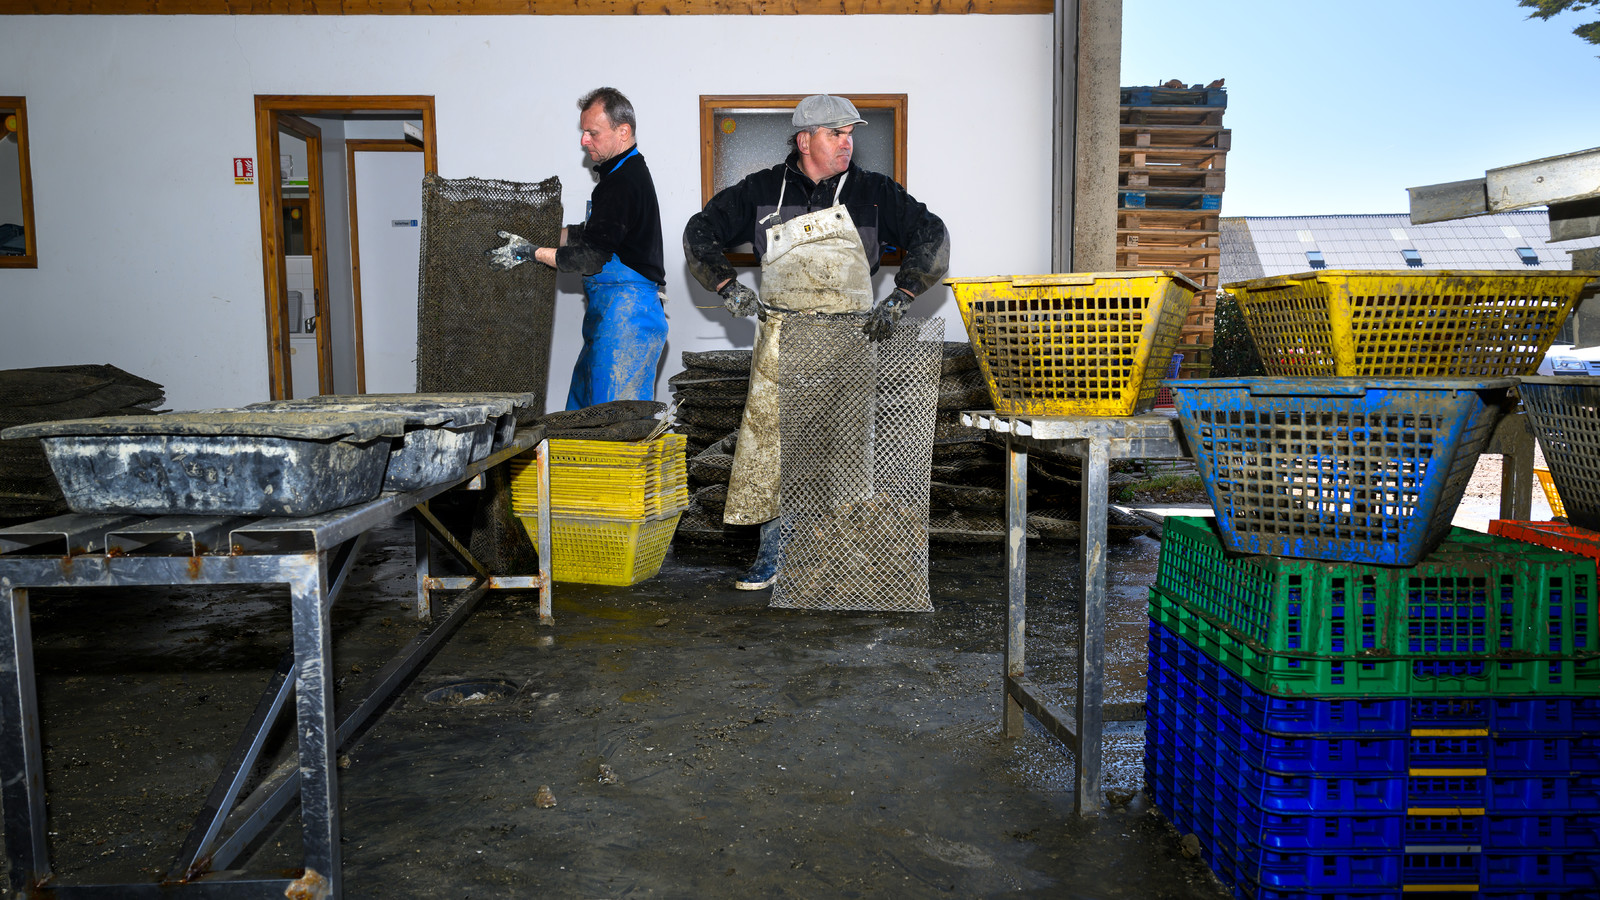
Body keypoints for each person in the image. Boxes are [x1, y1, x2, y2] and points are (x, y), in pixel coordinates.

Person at [683, 94, 950, 591]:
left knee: (847, 451)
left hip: (852, 338)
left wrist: (903, 295)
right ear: (805, 140)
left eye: (851, 135)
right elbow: (700, 232)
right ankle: (773, 553)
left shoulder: (873, 193)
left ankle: (839, 555)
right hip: (782, 339)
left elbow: (931, 233)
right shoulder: (761, 190)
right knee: (773, 450)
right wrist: (727, 288)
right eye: (836, 134)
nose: (847, 143)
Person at [488, 87, 668, 411]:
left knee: (614, 425)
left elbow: (590, 256)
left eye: (592, 132)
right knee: (583, 416)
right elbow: (596, 235)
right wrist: (543, 235)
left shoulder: (624, 181)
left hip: (627, 320)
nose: (584, 141)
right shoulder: (618, 176)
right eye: (583, 132)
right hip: (609, 317)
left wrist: (529, 252)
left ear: (623, 131)